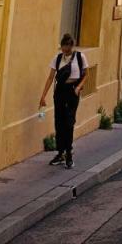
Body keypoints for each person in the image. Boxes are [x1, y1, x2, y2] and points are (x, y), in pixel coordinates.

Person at [39, 34, 87, 169]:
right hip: (59, 91)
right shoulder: (58, 58)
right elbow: (50, 77)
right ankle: (60, 152)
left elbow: (85, 74)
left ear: (72, 46)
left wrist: (78, 88)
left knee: (69, 121)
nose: (65, 51)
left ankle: (69, 153)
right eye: (63, 49)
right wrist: (43, 96)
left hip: (72, 91)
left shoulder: (79, 57)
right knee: (59, 121)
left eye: (68, 49)